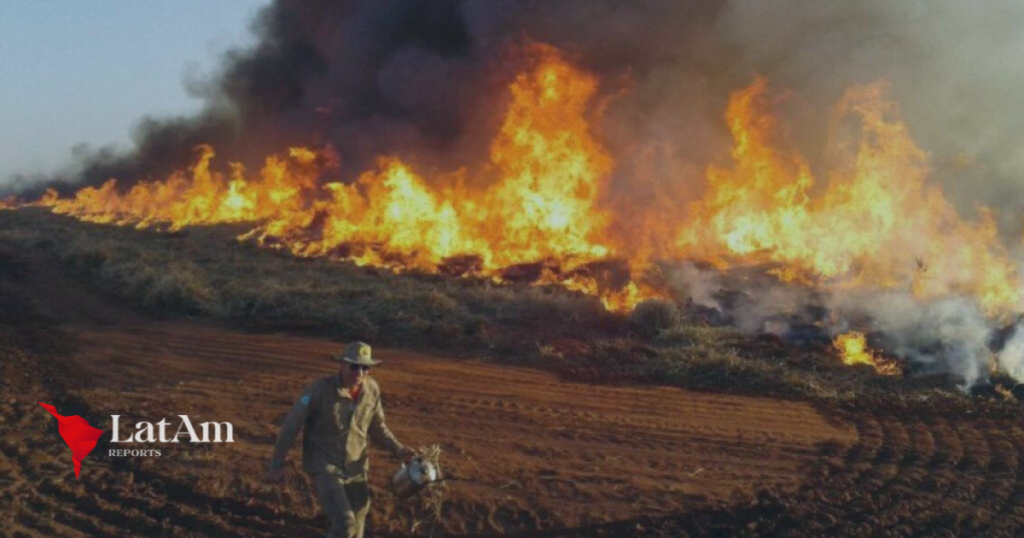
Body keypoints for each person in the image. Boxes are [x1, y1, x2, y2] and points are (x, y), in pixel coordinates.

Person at [265, 341, 415, 538]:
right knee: (346, 524)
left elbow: (378, 427)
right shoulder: (319, 390)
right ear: (341, 365)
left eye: (365, 367)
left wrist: (399, 449)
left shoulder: (371, 390)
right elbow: (291, 425)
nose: (359, 372)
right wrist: (276, 464)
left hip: (356, 467)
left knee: (359, 520)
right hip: (325, 465)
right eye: (354, 366)